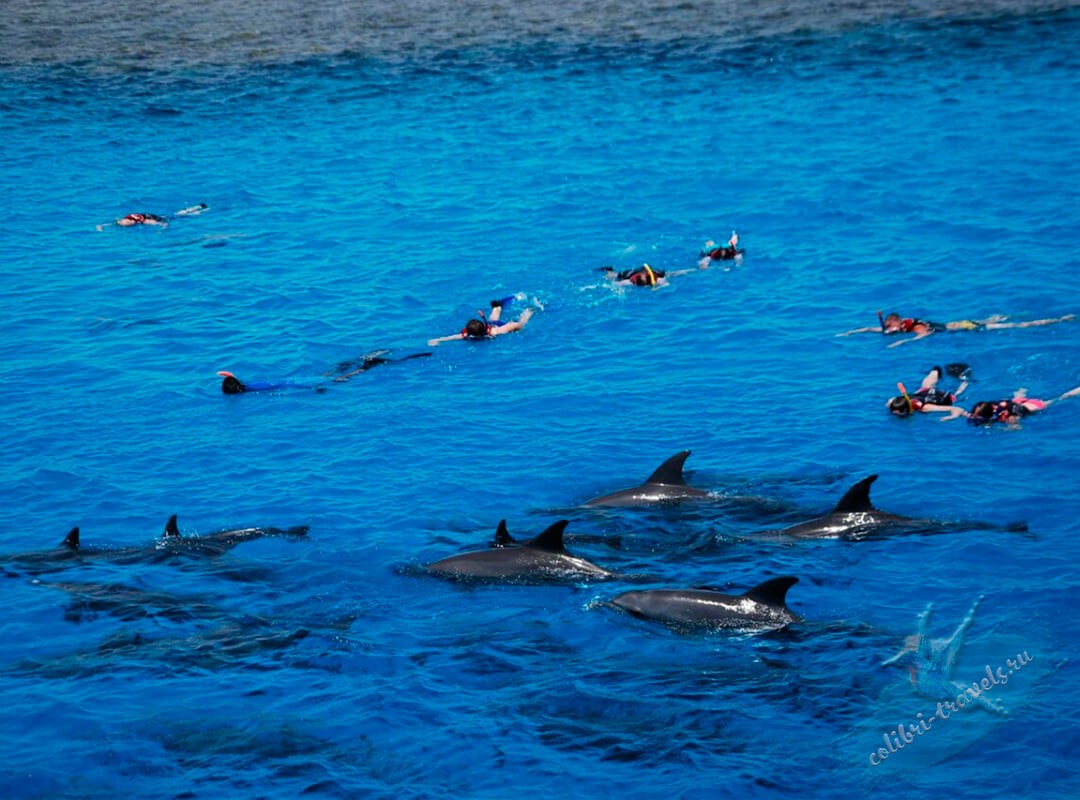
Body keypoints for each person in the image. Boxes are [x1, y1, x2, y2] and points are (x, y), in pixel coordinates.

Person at [840, 310, 1075, 348]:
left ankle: (1056, 321)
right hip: (954, 325)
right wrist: (852, 332)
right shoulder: (896, 327)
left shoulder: (916, 328)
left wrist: (900, 343)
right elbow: (871, 329)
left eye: (892, 328)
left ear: (900, 324)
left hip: (963, 329)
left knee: (1014, 326)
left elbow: (921, 338)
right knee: (993, 320)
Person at [427, 296, 535, 346]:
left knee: (517, 324)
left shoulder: (496, 332)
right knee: (493, 319)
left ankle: (530, 309)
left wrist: (525, 318)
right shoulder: (467, 335)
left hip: (497, 326)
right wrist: (436, 340)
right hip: (490, 325)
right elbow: (449, 337)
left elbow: (513, 325)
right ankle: (497, 307)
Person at [964, 385, 1080, 426]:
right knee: (1016, 399)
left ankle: (1074, 391)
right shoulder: (995, 406)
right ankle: (1021, 391)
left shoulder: (1008, 416)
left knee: (1062, 398)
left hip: (1034, 406)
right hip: (1019, 402)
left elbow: (1016, 427)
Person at [887, 364, 971, 418]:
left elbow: (955, 408)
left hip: (943, 397)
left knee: (957, 394)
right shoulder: (896, 402)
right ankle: (936, 371)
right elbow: (891, 401)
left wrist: (964, 415)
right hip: (925, 391)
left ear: (905, 410)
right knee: (927, 384)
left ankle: (966, 381)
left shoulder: (925, 408)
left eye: (897, 414)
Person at [98, 203, 208, 230]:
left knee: (178, 215)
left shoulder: (142, 222)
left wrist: (163, 226)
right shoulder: (120, 221)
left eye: (129, 223)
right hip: (150, 215)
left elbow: (160, 223)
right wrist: (100, 227)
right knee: (177, 214)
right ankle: (197, 207)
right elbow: (106, 224)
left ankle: (197, 209)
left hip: (156, 218)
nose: (128, 223)